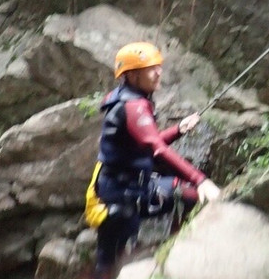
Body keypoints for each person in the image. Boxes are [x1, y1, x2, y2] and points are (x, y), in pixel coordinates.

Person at [89, 41, 221, 279]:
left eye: (158, 66)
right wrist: (201, 180)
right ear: (131, 75)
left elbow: (145, 141)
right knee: (108, 262)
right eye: (151, 68)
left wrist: (178, 129)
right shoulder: (133, 106)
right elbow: (156, 149)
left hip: (129, 187)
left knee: (186, 195)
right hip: (121, 196)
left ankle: (172, 251)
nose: (159, 72)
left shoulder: (131, 98)